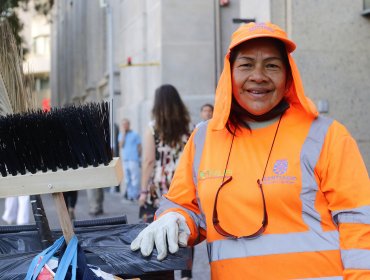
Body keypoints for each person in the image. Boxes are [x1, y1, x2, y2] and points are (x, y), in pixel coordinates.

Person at [130, 22, 370, 279]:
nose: (258, 75)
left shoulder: (326, 135)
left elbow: (359, 221)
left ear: (288, 76)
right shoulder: (203, 138)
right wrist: (173, 218)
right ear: (229, 73)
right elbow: (186, 206)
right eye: (246, 65)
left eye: (271, 65)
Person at [138, 84, 191, 224]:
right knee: (183, 228)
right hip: (182, 184)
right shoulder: (188, 127)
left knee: (156, 231)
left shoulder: (153, 129)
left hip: (159, 187)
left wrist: (143, 191)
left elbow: (148, 161)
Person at [118, 118, 142, 201]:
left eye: (126, 124)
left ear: (129, 125)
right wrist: (124, 135)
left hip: (133, 159)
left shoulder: (135, 134)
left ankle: (135, 196)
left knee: (135, 179)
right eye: (123, 124)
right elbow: (121, 146)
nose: (124, 126)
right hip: (125, 160)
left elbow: (139, 147)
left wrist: (138, 157)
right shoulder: (121, 135)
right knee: (127, 179)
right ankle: (130, 195)